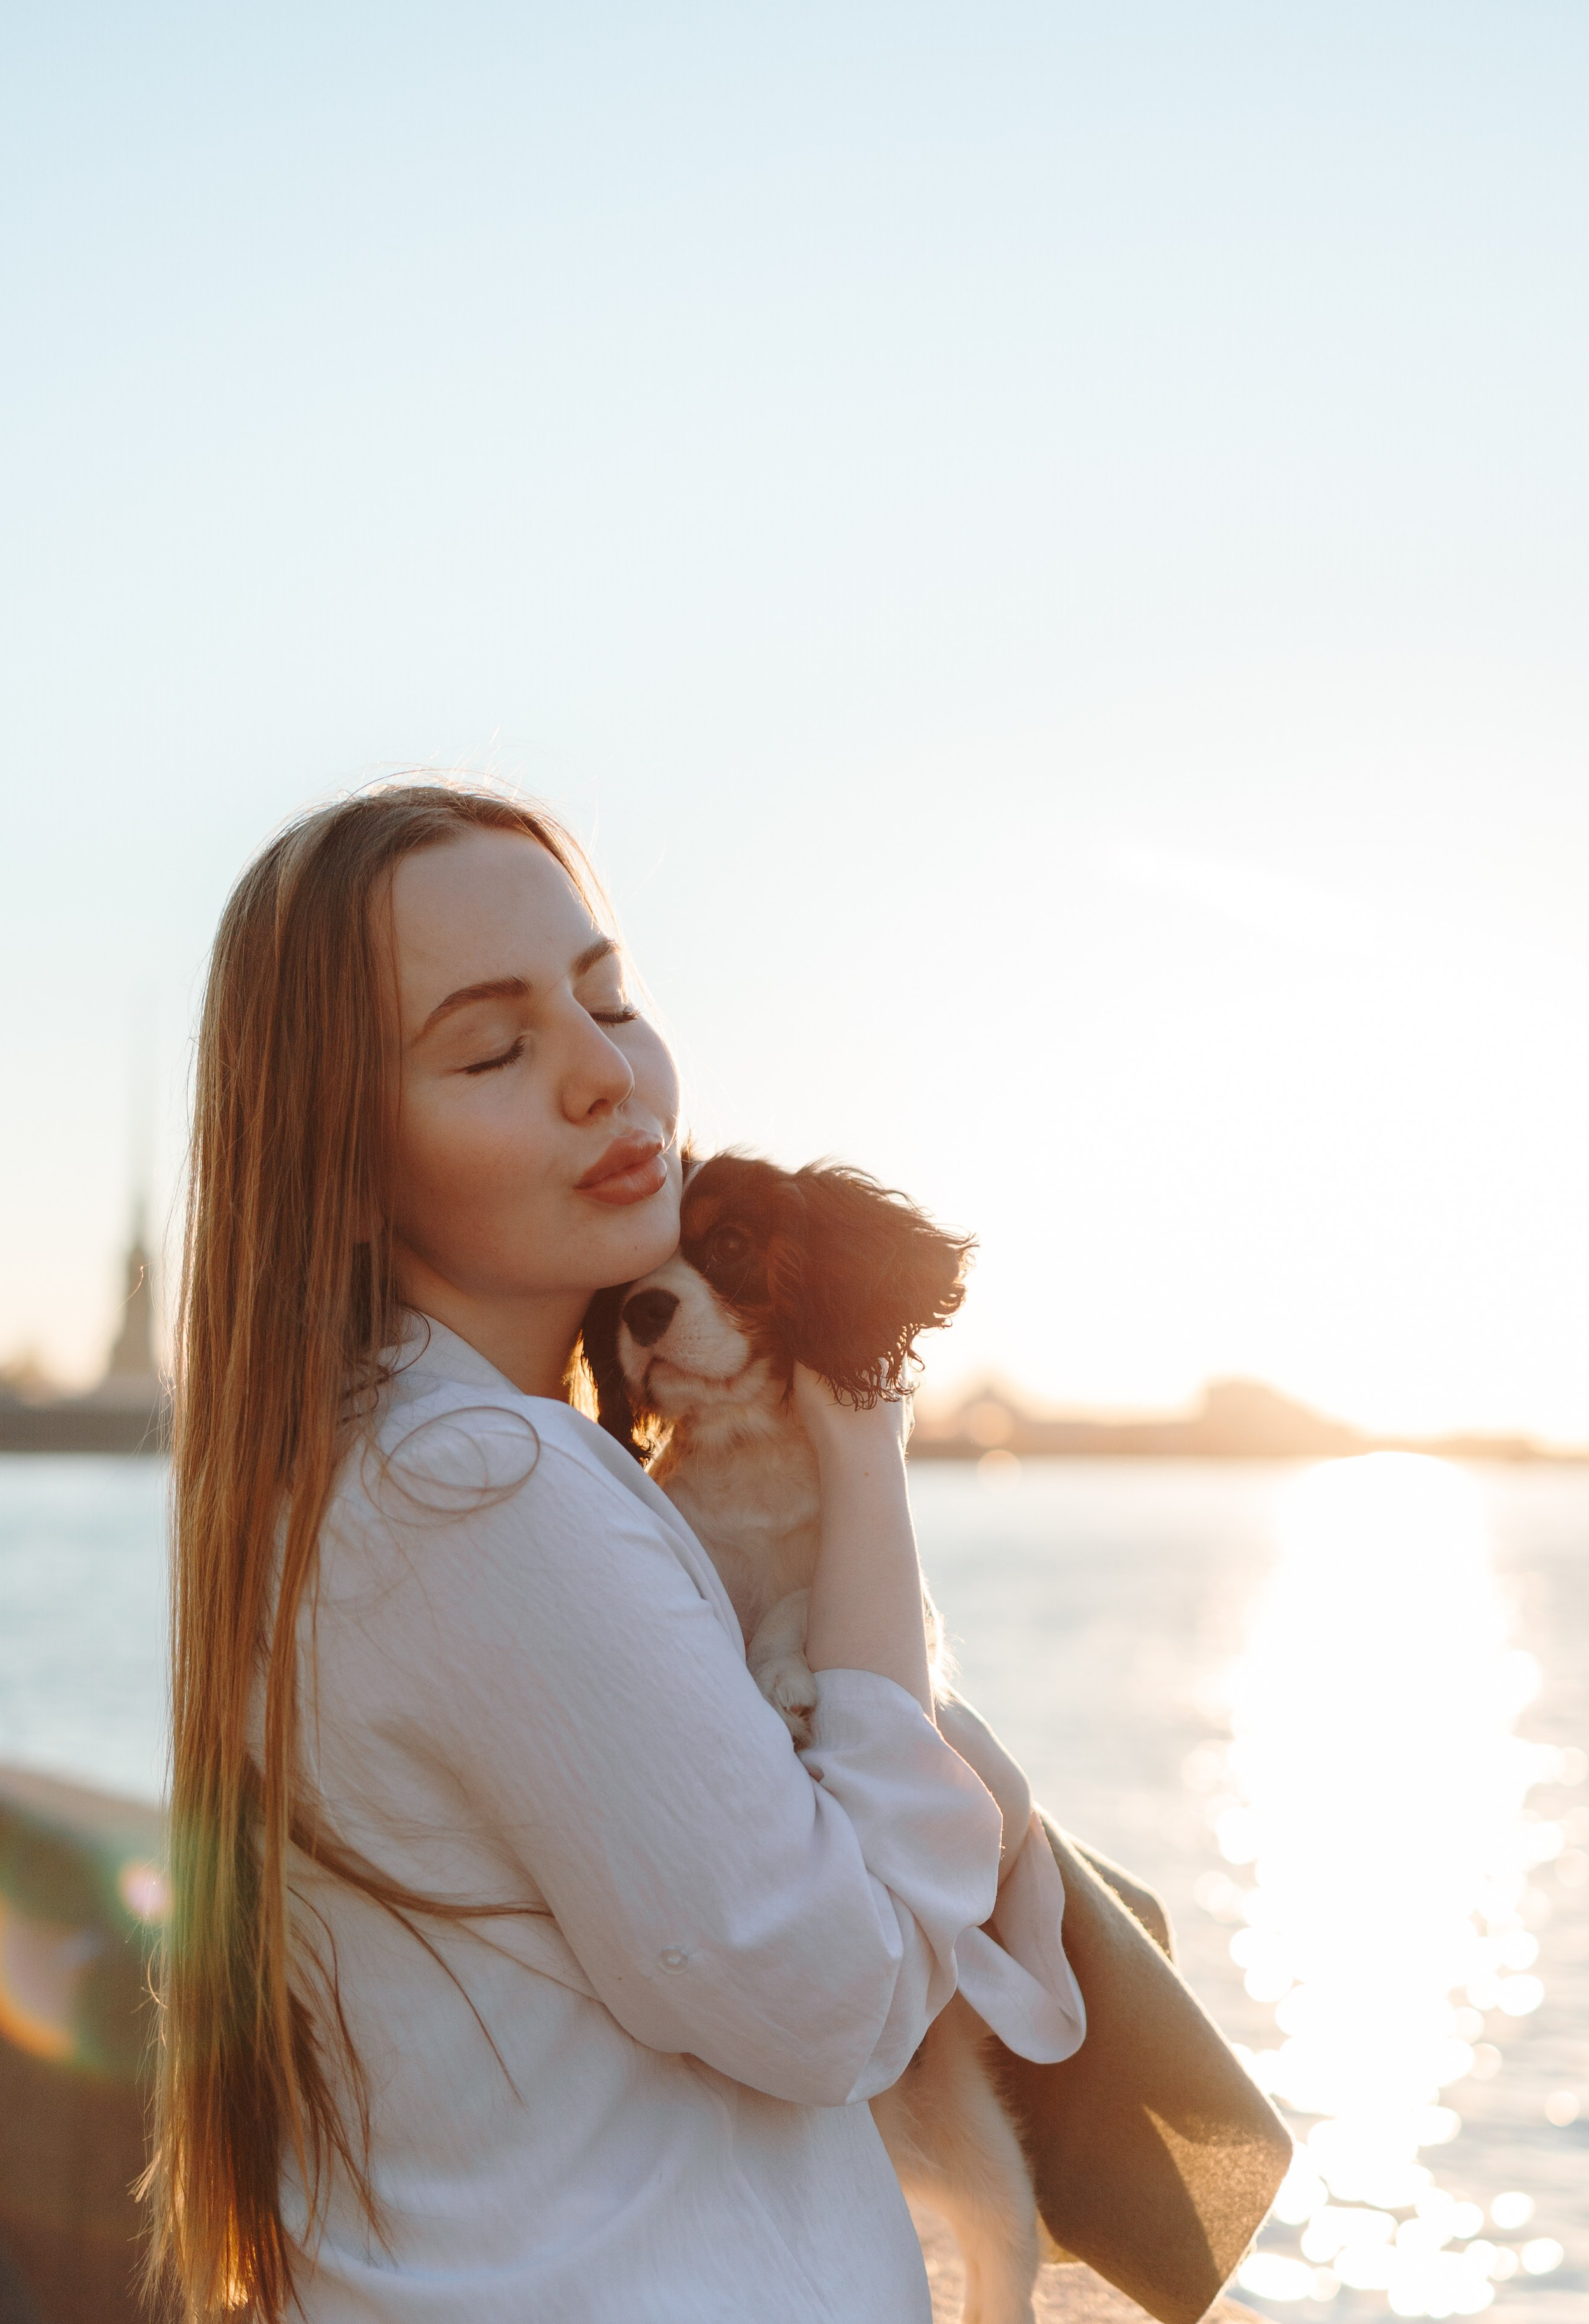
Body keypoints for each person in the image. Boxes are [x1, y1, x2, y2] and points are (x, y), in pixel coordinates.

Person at [148, 782, 1084, 2324]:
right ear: (343, 1167)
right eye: (492, 1049)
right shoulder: (484, 1485)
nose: (602, 1076)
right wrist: (864, 1460)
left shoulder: (372, 1455)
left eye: (609, 999)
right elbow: (836, 2000)